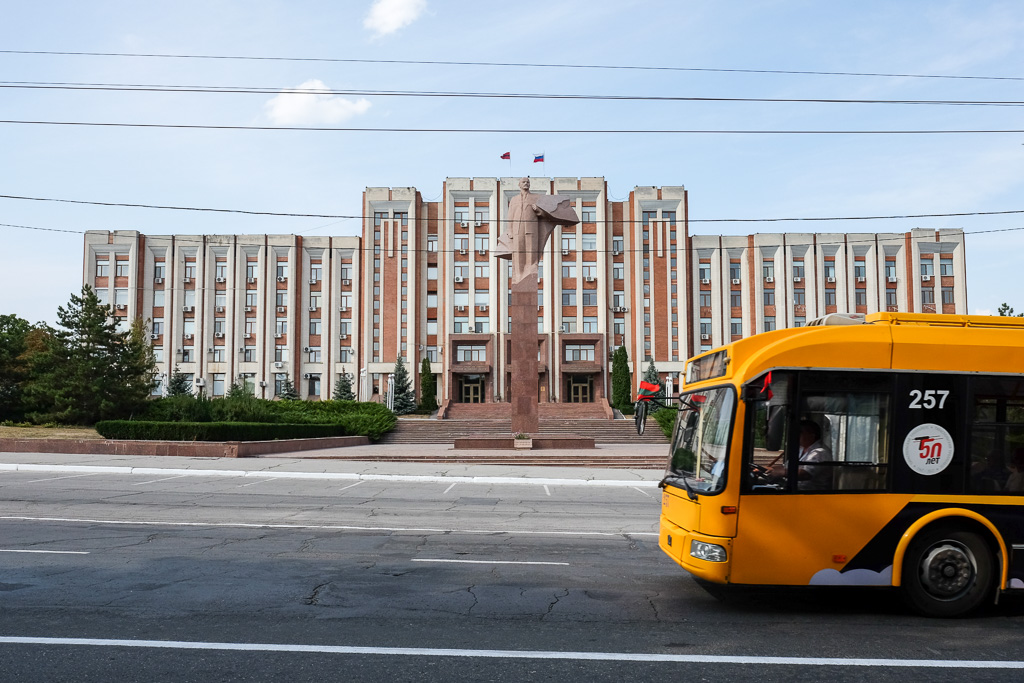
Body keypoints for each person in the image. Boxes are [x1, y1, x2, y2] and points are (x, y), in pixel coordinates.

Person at [770, 419, 833, 490]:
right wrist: (769, 469)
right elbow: (786, 467)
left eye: (800, 432)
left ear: (812, 435)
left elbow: (805, 474)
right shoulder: (800, 449)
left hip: (810, 495)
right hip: (794, 490)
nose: (796, 435)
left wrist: (781, 472)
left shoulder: (820, 452)